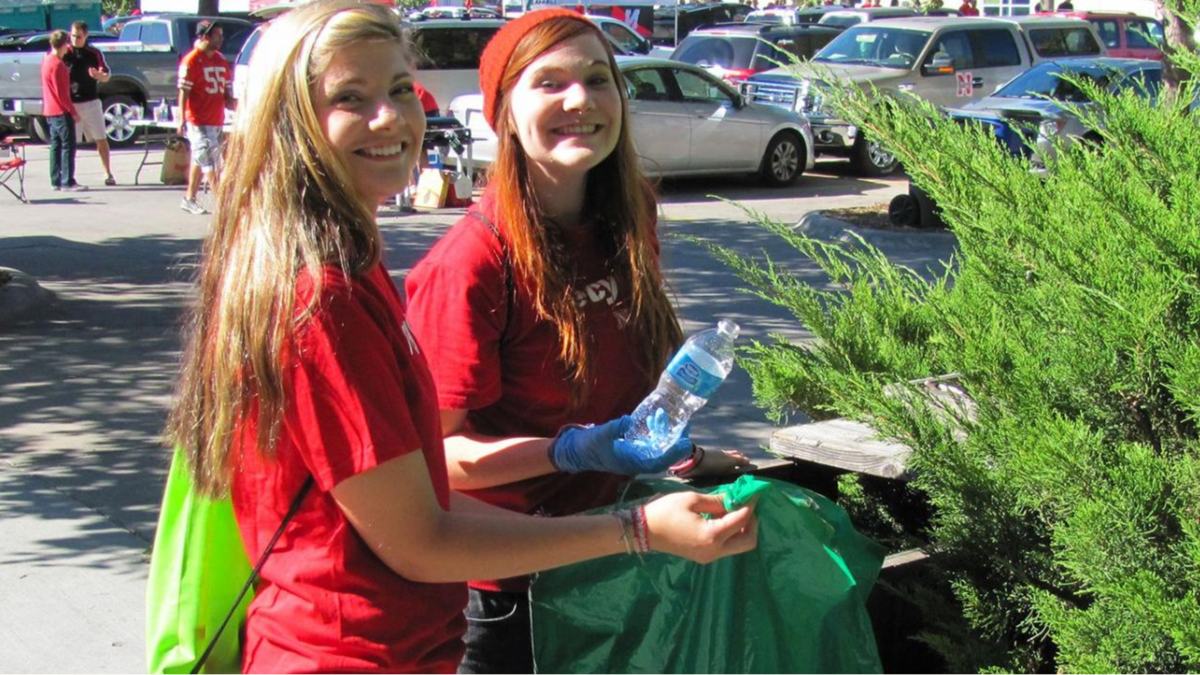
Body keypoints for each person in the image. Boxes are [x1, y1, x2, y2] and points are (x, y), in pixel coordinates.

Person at [164, 2, 757, 672]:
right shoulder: (322, 298)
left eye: (397, 89)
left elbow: (411, 501)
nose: (390, 116)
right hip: (353, 650)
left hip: (416, 640)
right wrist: (634, 525)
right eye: (349, 98)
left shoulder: (352, 270)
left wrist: (643, 479)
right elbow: (420, 535)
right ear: (291, 121)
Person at [404, 10, 752, 673]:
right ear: (502, 111)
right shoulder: (474, 262)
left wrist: (682, 456)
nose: (580, 100)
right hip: (513, 591)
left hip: (615, 558)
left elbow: (629, 394)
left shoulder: (630, 216)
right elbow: (431, 462)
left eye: (598, 79)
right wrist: (568, 452)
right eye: (550, 82)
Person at [177, 20, 235, 215]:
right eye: (217, 35)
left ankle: (189, 199)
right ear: (205, 37)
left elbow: (225, 91)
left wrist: (235, 105)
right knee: (211, 162)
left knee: (199, 159)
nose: (221, 38)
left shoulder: (220, 60)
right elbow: (183, 91)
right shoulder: (191, 60)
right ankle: (224, 205)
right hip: (198, 120)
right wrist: (180, 118)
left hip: (216, 118)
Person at [64, 21, 116, 186]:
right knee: (71, 143)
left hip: (91, 101)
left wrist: (99, 76)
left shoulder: (93, 53)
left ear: (85, 36)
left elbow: (106, 74)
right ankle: (69, 176)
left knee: (101, 138)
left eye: (78, 36)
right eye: (72, 35)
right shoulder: (65, 53)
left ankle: (107, 172)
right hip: (72, 103)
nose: (75, 39)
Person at [40, 30, 84, 192]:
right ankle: (67, 181)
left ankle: (55, 180)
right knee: (68, 146)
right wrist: (73, 112)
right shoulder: (58, 65)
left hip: (50, 110)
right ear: (63, 45)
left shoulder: (46, 61)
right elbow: (62, 93)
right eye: (67, 44)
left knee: (55, 145)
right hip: (60, 111)